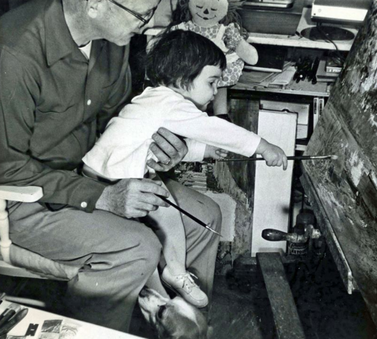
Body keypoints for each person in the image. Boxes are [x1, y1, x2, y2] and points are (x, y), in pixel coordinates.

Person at [0, 0, 221, 333]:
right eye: (143, 14)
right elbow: (8, 168)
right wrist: (102, 197)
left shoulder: (111, 36)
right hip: (26, 199)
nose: (148, 24)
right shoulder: (15, 55)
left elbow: (117, 119)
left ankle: (174, 327)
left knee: (204, 217)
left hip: (97, 171)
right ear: (94, 4)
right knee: (136, 246)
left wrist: (158, 146)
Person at [82, 29, 288, 307]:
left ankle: (173, 275)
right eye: (212, 82)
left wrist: (205, 151)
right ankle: (171, 279)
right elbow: (214, 128)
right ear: (181, 80)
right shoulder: (170, 103)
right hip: (109, 183)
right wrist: (262, 146)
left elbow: (159, 140)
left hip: (106, 175)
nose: (216, 92)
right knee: (161, 220)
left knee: (167, 214)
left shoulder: (156, 100)